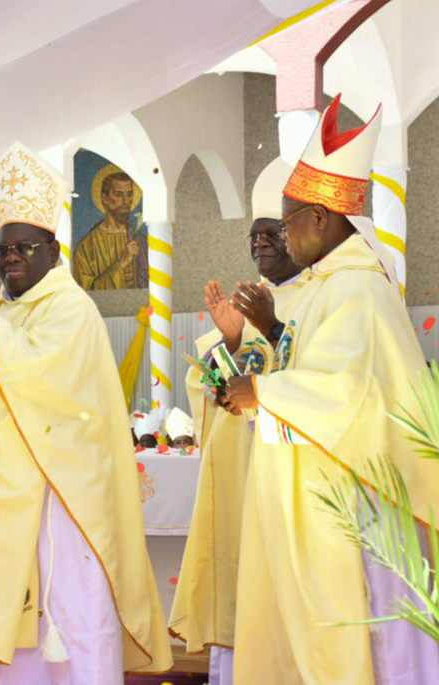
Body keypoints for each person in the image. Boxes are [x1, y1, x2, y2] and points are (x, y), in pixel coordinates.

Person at [224, 95, 439, 684]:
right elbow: (307, 363)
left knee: (378, 630)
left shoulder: (359, 287)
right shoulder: (325, 284)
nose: (281, 239)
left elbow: (347, 392)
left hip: (361, 496)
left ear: (320, 218)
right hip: (330, 484)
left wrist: (263, 393)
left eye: (286, 224)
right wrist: (264, 355)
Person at [0, 142, 172, 683]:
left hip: (65, 504)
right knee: (19, 648)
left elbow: (33, 373)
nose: (10, 257)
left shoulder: (71, 309)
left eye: (23, 247)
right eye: (2, 249)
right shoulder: (1, 315)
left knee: (71, 625)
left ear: (53, 250)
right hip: (13, 503)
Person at [167, 157, 307, 684]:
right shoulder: (247, 304)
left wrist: (268, 332)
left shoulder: (315, 298)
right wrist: (229, 338)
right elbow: (216, 391)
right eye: (254, 237)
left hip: (290, 486)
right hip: (240, 479)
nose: (261, 245)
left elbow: (309, 382)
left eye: (272, 234)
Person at [71, 171, 147, 290]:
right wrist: (121, 264)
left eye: (129, 194)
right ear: (104, 198)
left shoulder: (141, 241)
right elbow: (83, 293)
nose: (126, 201)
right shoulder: (86, 247)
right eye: (118, 195)